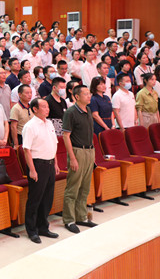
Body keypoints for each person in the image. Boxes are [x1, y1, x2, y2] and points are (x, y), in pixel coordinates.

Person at [21, 98, 60, 244]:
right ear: (35, 109)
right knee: (35, 199)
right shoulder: (30, 126)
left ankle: (43, 227)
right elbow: (27, 150)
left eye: (48, 106)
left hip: (50, 164)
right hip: (37, 165)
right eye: (44, 106)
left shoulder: (49, 123)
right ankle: (32, 230)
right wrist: (32, 170)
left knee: (47, 198)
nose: (47, 109)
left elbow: (54, 144)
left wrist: (55, 163)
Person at [62, 85, 97, 234]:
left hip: (89, 151)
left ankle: (81, 216)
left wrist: (92, 154)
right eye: (86, 94)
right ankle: (69, 220)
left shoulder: (88, 110)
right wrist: (73, 158)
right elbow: (66, 136)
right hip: (77, 151)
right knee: (73, 187)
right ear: (77, 97)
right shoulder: (70, 112)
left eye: (89, 93)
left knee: (85, 187)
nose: (89, 96)